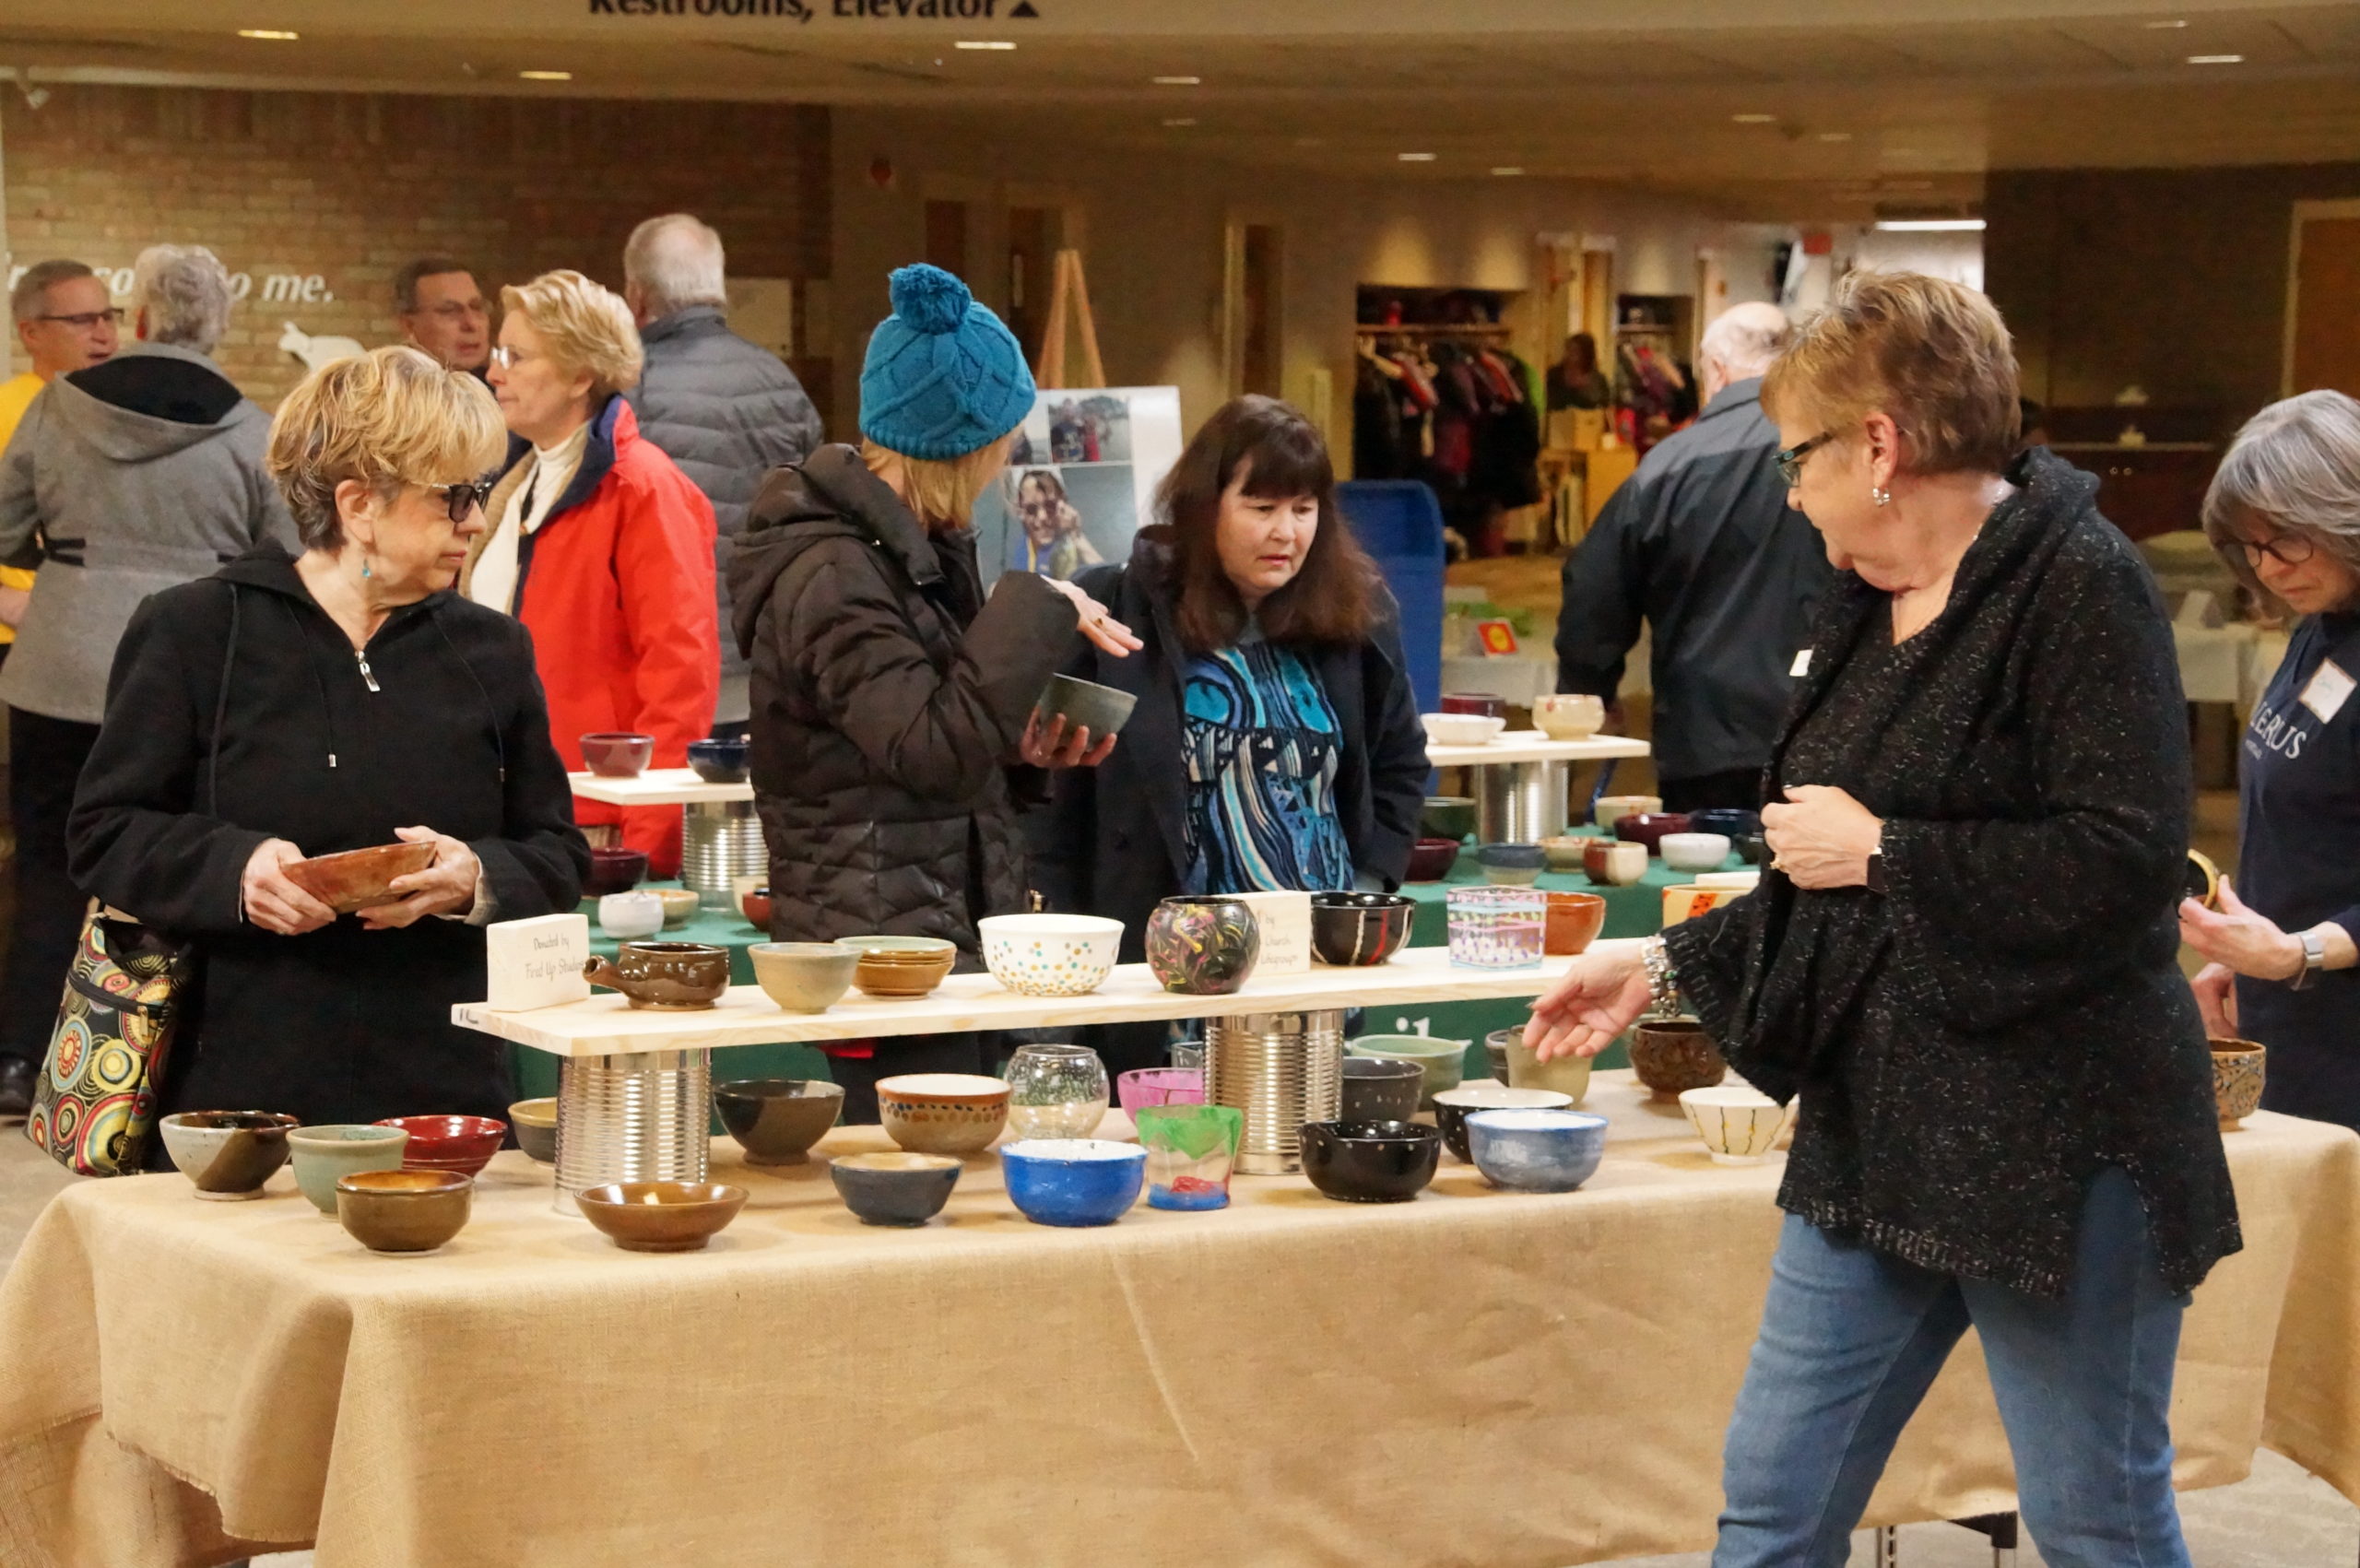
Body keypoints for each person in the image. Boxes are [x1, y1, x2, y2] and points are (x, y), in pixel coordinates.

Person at [1525, 271, 2237, 1568]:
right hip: (1882, 1120)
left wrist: (1894, 851)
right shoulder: (1860, 599)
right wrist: (1664, 957)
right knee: (1774, 1501)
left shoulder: (2078, 584)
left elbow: (2127, 865)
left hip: (2062, 1136)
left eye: (1797, 457)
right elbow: (1823, 871)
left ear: (1880, 445)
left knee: (2096, 1520)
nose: (1790, 491)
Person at [68, 347, 585, 1130]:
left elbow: (557, 853)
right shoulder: (196, 631)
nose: (475, 520)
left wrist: (475, 875)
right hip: (235, 1091)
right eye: (453, 497)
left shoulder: (493, 652)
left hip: (440, 1091)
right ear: (358, 504)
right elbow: (105, 832)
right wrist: (235, 868)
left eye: (477, 494)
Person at [730, 264, 1136, 1121]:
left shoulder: (910, 550)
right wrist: (1043, 603)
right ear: (963, 445)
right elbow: (930, 749)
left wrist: (1024, 746)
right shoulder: (835, 570)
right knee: (913, 1200)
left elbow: (930, 729)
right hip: (880, 954)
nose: (1007, 463)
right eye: (1001, 443)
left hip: (932, 932)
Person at [1030, 395, 1429, 1074]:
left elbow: (1400, 764)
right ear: (1205, 505)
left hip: (1312, 969)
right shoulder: (1117, 610)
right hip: (1160, 977)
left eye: (1304, 510)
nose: (1287, 533)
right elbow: (1051, 798)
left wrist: (1363, 890)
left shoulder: (1358, 616)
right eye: (1262, 507)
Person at [0, 244, 297, 1120]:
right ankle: (162, 1067)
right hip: (199, 676)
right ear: (222, 324)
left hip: (57, 669)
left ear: (134, 320)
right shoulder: (250, 427)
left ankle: (21, 1058)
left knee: (51, 868)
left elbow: (6, 528)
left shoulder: (55, 410)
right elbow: (281, 553)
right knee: (180, 867)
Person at [464, 268, 719, 876]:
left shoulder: (642, 489)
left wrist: (647, 847)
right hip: (510, 815)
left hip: (598, 823)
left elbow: (679, 677)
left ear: (582, 373)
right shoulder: (513, 486)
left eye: (517, 356)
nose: (494, 371)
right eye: (499, 353)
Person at [1555, 301, 1832, 813]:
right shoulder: (1844, 452)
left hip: (1706, 734)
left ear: (1717, 370)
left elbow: (1595, 590)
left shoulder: (1667, 467)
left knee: (1709, 885)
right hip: (1830, 723)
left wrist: (1588, 692)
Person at [2181, 390, 2360, 1130]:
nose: (2270, 567)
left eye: (2286, 538)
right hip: (2293, 1010)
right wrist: (2247, 959)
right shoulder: (2320, 627)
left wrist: (2296, 954)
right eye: (2251, 546)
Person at [620, 214, 824, 740]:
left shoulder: (627, 390)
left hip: (666, 666)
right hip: (764, 660)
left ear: (636, 296)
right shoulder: (782, 383)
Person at [2, 261, 121, 659]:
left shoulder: (117, 418)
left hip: (94, 636)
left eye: (108, 317)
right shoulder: (7, 411)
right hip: (14, 641)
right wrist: (6, 601)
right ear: (31, 332)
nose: (103, 334)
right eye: (82, 320)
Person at [393, 257, 491, 378]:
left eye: (477, 307)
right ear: (409, 325)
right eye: (449, 310)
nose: (471, 324)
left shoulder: (506, 390)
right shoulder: (389, 393)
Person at [1008, 467, 1103, 580]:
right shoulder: (1022, 546)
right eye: (1031, 509)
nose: (1042, 516)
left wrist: (1075, 535)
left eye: (1050, 506)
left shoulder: (1073, 545)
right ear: (1020, 511)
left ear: (1063, 503)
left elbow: (1107, 583)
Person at [1546, 332, 1611, 411]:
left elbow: (1605, 408)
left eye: (1575, 351)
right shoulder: (1554, 375)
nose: (1569, 355)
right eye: (1568, 349)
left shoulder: (1598, 380)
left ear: (1586, 355)